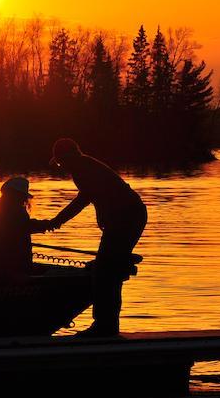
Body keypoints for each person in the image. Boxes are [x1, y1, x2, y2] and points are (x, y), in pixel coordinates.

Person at [46, 138, 147, 336]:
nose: (61, 167)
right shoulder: (86, 165)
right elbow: (96, 196)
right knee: (110, 270)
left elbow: (83, 199)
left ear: (66, 157)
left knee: (105, 272)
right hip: (127, 217)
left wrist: (57, 221)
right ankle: (107, 325)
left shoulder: (82, 169)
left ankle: (104, 327)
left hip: (127, 218)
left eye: (60, 162)